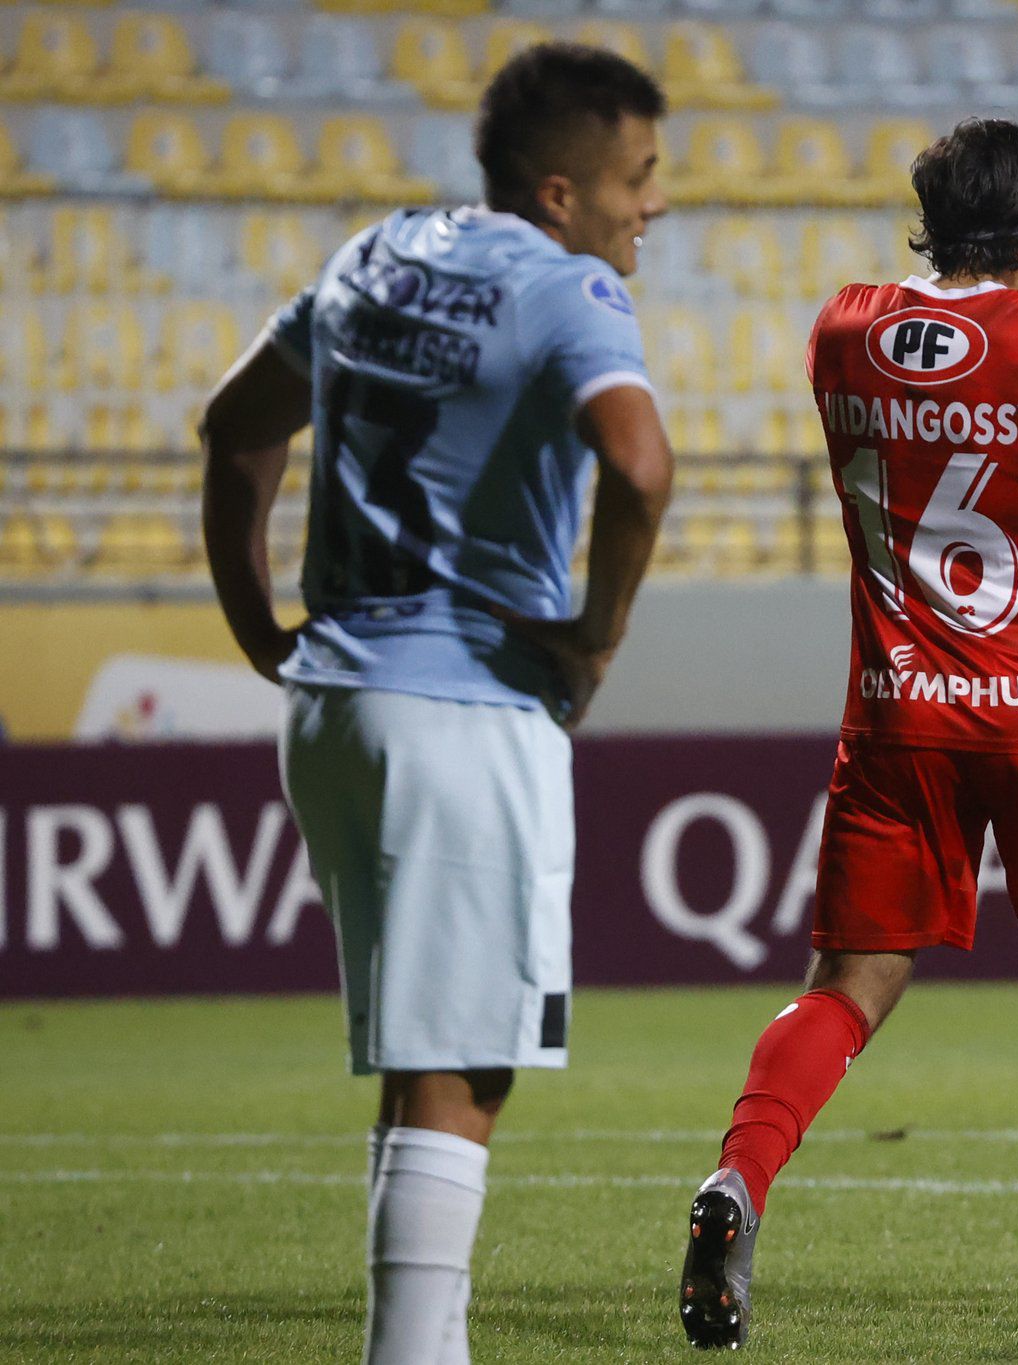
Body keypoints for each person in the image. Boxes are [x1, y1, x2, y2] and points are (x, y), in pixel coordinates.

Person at [678, 125, 1018, 1348]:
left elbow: (941, 346)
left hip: (894, 716)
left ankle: (740, 1177)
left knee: (847, 989)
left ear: (925, 217)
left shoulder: (841, 327)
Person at [198, 43, 674, 1364]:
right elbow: (638, 466)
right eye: (639, 178)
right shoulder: (567, 286)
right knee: (462, 1067)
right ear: (563, 189)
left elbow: (235, 423)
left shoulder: (377, 257)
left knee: (434, 1057)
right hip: (463, 707)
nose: (656, 206)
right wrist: (594, 639)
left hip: (338, 706)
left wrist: (260, 633)